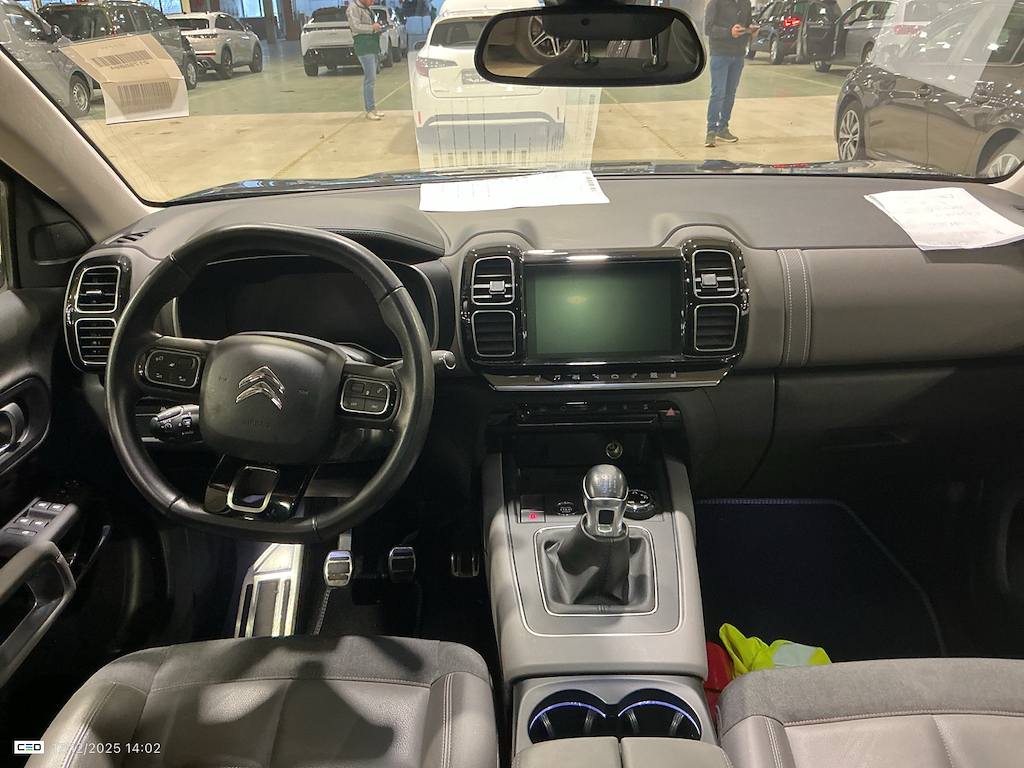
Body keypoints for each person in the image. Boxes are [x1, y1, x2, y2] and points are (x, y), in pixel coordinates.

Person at [703, 0, 758, 147]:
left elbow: (747, 23)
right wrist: (729, 32)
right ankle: (711, 130)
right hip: (720, 53)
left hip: (738, 54)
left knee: (730, 94)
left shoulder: (745, 3)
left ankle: (723, 127)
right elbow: (708, 28)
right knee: (718, 93)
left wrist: (751, 29)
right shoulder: (716, 3)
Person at [347, 0, 385, 120]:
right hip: (364, 46)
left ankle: (372, 109)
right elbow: (355, 26)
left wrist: (377, 28)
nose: (372, 2)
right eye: (371, 0)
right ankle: (369, 109)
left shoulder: (367, 8)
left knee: (372, 79)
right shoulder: (353, 8)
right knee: (369, 79)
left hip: (372, 45)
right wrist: (372, 28)